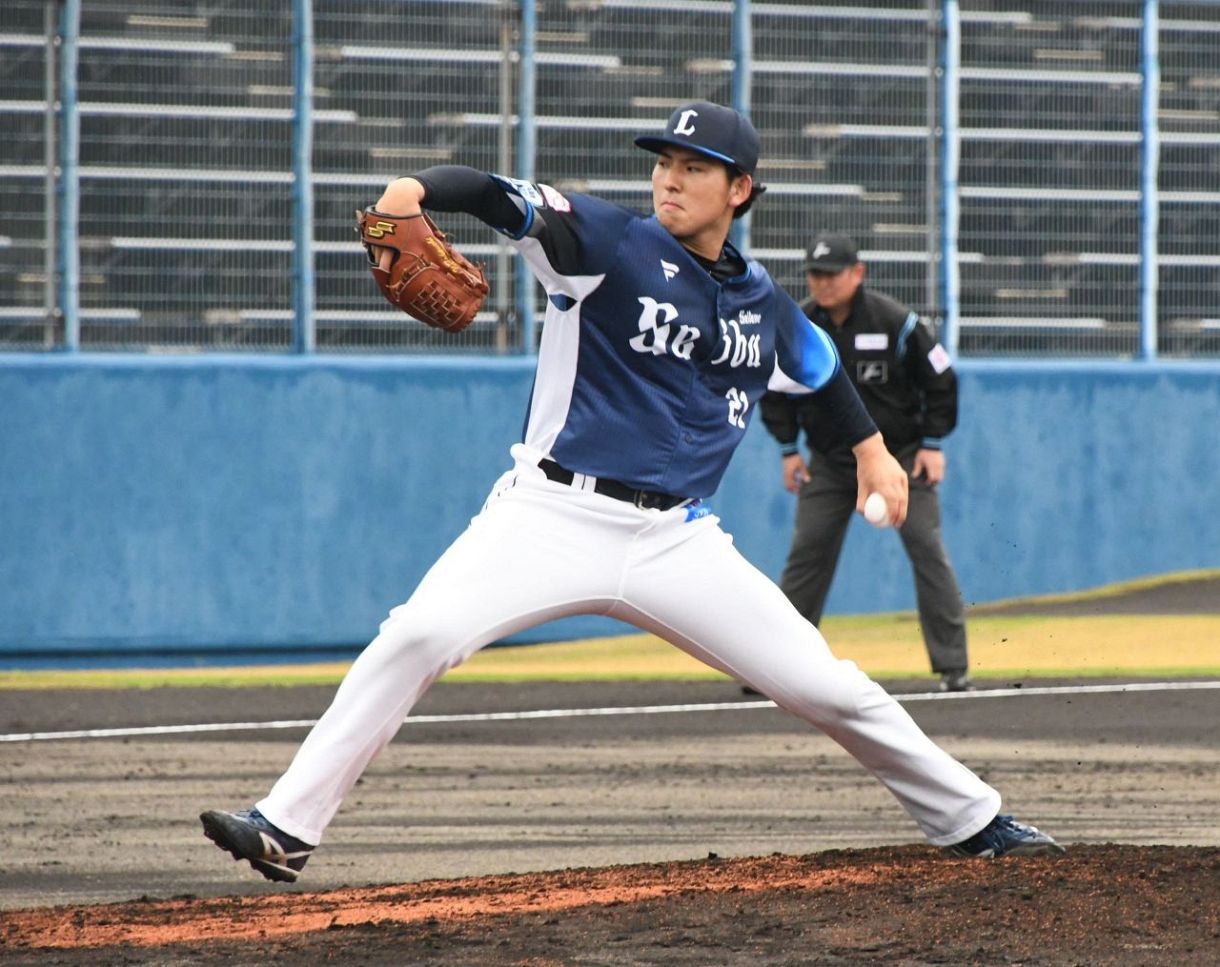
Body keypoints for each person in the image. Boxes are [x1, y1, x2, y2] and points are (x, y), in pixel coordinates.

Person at [200, 101, 1061, 883]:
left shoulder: (762, 299)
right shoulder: (606, 242)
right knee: (419, 633)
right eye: (664, 162)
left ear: (741, 189)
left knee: (827, 686)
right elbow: (499, 197)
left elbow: (819, 364)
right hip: (550, 513)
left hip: (679, 541)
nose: (670, 177)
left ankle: (974, 820)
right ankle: (286, 823)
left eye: (693, 166)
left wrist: (872, 449)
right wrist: (412, 188)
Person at [760, 235, 973, 693]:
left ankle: (953, 666)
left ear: (858, 273)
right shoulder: (798, 324)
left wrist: (933, 443)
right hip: (833, 464)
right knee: (807, 555)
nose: (822, 283)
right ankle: (777, 668)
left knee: (927, 549)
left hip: (901, 462)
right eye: (815, 274)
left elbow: (941, 381)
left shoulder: (896, 322)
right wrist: (788, 449)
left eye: (832, 273)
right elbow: (775, 390)